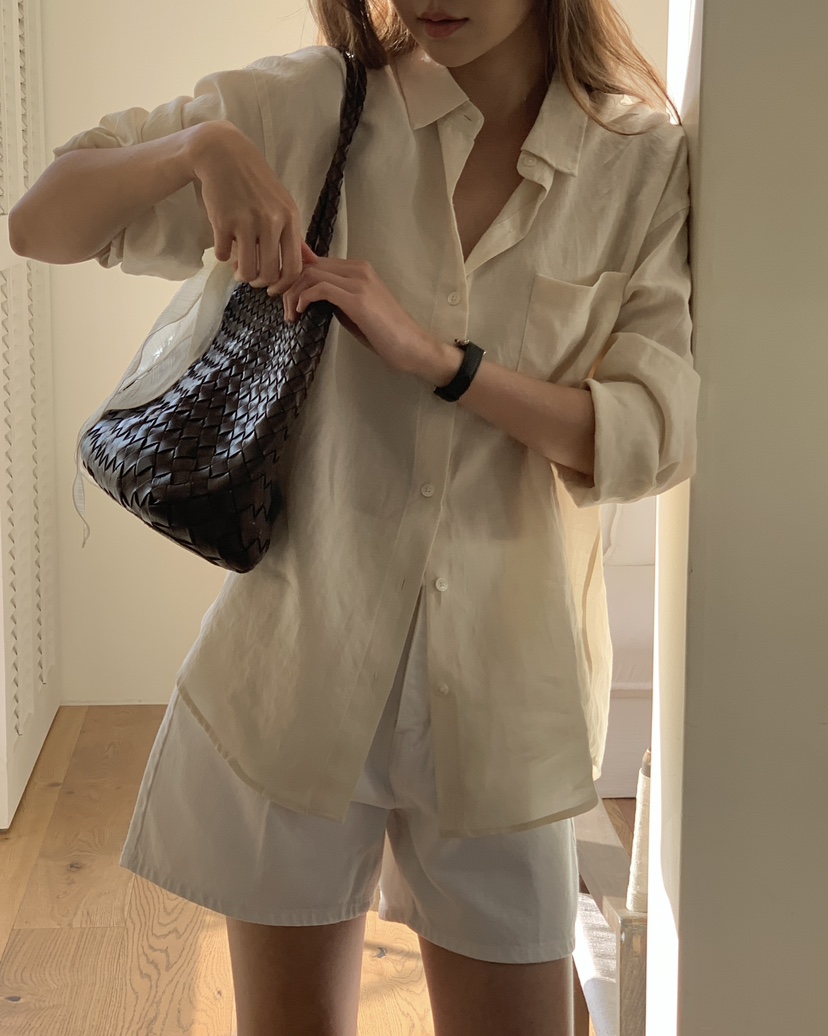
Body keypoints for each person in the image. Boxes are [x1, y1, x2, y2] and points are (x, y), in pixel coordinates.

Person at [9, 1, 699, 1033]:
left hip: (505, 701)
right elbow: (41, 222)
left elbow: (651, 435)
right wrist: (202, 149)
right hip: (299, 678)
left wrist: (444, 364)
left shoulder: (636, 161)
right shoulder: (304, 107)